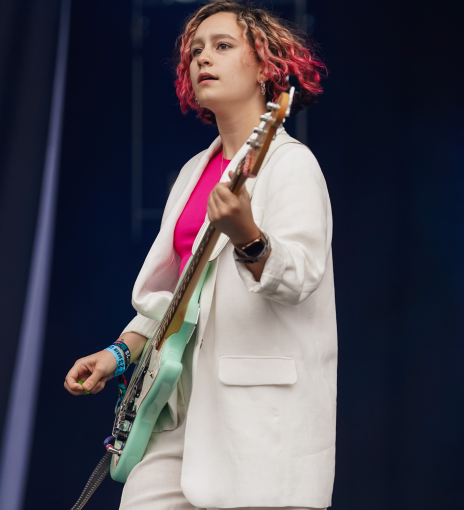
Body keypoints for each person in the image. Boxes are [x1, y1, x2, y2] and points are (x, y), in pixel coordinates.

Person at [64, 2, 336, 509]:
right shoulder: (194, 172)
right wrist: (119, 352)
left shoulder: (292, 164)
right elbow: (177, 293)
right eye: (195, 51)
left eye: (222, 46)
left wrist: (248, 235)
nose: (202, 58)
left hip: (255, 419)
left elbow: (300, 277)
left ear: (266, 67)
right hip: (177, 408)